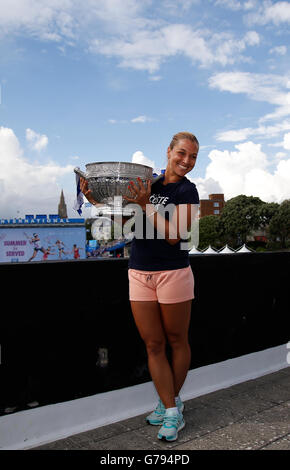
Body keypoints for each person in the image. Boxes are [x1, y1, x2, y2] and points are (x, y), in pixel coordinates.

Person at [80, 131, 199, 442]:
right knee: (153, 345)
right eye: (182, 153)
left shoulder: (188, 191)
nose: (186, 161)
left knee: (177, 340)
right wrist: (94, 199)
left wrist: (147, 205)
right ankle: (172, 406)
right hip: (139, 273)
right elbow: (126, 224)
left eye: (193, 157)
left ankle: (169, 407)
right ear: (169, 151)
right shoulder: (148, 185)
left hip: (173, 272)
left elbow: (175, 236)